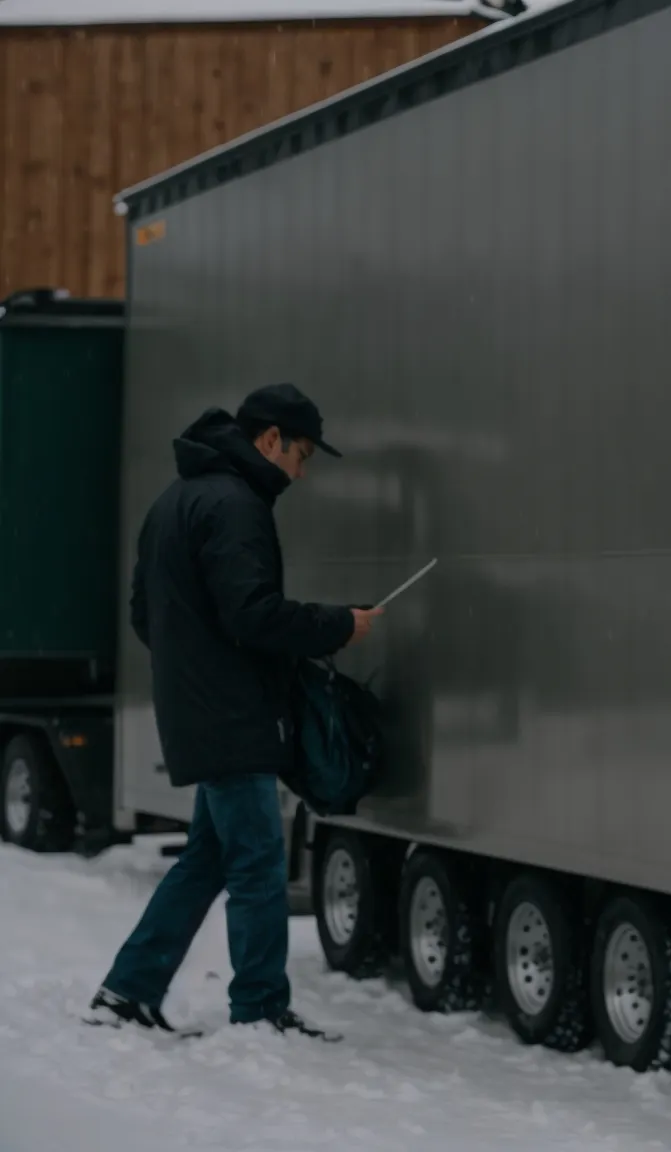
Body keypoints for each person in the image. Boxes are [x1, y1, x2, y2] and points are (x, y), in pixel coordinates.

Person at [86, 383, 382, 1040]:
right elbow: (251, 614)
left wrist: (197, 669)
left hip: (201, 711)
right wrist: (339, 625)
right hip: (233, 719)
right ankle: (259, 1011)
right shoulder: (235, 505)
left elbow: (147, 616)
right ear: (269, 439)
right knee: (257, 863)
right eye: (301, 454)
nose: (301, 473)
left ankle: (127, 989)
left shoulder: (177, 500)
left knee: (209, 860)